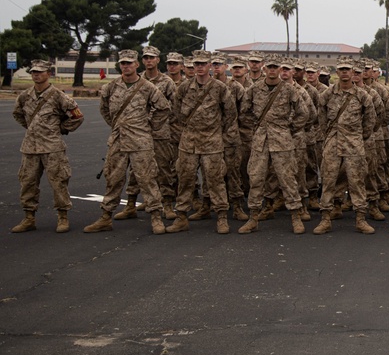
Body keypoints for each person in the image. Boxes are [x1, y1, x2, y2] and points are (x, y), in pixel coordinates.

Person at [85, 50, 172, 235]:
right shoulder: (111, 87)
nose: (126, 66)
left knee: (147, 179)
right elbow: (105, 109)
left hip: (141, 141)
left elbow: (163, 108)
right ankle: (105, 217)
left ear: (136, 64)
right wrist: (117, 126)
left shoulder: (147, 87)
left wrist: (149, 126)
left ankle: (156, 216)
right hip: (118, 141)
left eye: (129, 63)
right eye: (123, 63)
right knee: (113, 179)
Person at [238, 55, 311, 234]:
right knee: (255, 178)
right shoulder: (254, 89)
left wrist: (289, 128)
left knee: (288, 178)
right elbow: (244, 112)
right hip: (260, 140)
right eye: (269, 67)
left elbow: (303, 113)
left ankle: (295, 216)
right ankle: (253, 217)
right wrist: (257, 127)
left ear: (281, 69)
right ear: (264, 68)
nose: (272, 70)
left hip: (282, 140)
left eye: (275, 67)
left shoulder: (289, 90)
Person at [168, 50, 238, 234]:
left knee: (215, 180)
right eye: (196, 64)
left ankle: (221, 216)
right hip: (188, 142)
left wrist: (215, 130)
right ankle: (181, 216)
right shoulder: (184, 87)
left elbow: (230, 113)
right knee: (185, 179)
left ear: (209, 66)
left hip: (212, 142)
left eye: (203, 64)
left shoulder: (220, 88)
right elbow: (175, 111)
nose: (199, 67)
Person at [11, 60, 84, 233]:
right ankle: (29, 217)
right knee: (27, 183)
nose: (36, 75)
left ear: (48, 74)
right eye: (34, 72)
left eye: (40, 72)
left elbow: (77, 117)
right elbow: (18, 114)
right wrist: (33, 129)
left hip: (52, 147)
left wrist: (60, 129)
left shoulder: (59, 96)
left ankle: (62, 216)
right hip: (30, 148)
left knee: (59, 182)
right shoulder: (25, 96)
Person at [312, 57, 377, 235]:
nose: (345, 72)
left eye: (348, 69)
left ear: (352, 71)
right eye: (341, 69)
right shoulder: (327, 94)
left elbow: (370, 119)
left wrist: (359, 136)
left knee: (357, 181)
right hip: (333, 141)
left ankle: (360, 219)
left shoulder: (362, 95)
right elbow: (321, 117)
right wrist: (329, 135)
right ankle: (325, 218)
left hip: (354, 142)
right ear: (337, 72)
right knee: (328, 180)